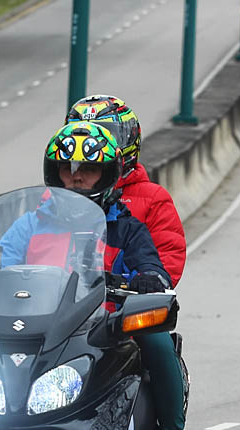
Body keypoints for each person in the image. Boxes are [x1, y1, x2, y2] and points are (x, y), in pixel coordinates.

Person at [43, 121, 191, 430]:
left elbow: (159, 265)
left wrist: (143, 283)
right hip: (51, 321)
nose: (76, 178)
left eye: (88, 170)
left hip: (111, 319)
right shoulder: (37, 220)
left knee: (157, 343)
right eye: (68, 169)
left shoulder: (131, 221)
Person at [66, 95, 187, 288]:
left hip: (121, 306)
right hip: (63, 304)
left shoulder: (152, 198)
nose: (94, 145)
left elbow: (168, 253)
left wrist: (151, 279)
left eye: (105, 136)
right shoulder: (55, 200)